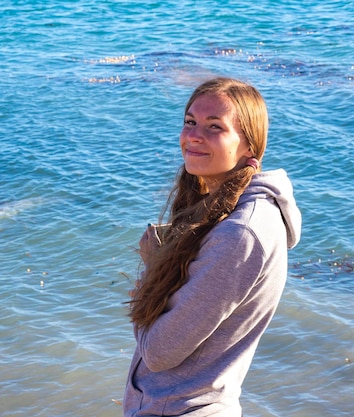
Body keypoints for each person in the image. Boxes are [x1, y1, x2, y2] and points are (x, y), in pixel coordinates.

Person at [124, 77, 301, 416]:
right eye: (190, 121)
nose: (193, 135)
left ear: (250, 145)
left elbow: (159, 351)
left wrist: (152, 268)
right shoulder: (226, 212)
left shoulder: (240, 234)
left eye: (214, 126)